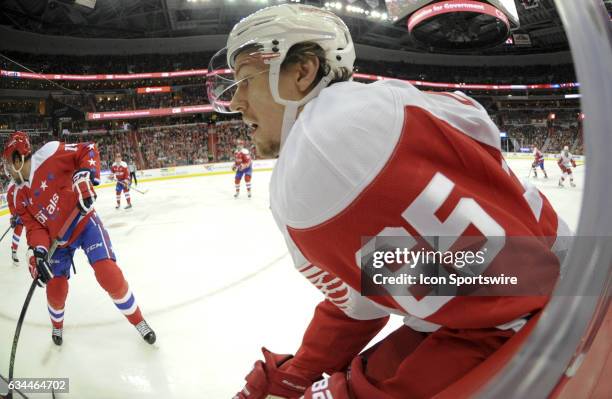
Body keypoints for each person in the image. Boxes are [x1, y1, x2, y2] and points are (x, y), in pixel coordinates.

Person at [207, 5, 571, 399]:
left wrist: (295, 378)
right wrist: (302, 369)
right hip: (567, 276)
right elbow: (421, 272)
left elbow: (360, 306)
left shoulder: (311, 162)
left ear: (302, 71)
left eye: (245, 81)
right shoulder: (409, 98)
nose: (235, 102)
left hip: (522, 337)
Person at [2, 131, 155, 346]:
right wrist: (38, 252)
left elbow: (87, 149)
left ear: (18, 159)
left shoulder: (50, 153)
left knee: (109, 274)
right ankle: (57, 326)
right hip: (59, 242)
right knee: (56, 291)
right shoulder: (17, 195)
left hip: (83, 222)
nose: (6, 169)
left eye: (8, 163)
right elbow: (34, 228)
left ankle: (138, 321)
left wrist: (83, 175)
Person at [6, 179, 24, 266]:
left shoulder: (25, 179)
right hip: (18, 213)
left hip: (27, 210)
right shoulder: (11, 187)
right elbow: (10, 203)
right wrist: (14, 215)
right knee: (18, 230)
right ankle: (14, 250)